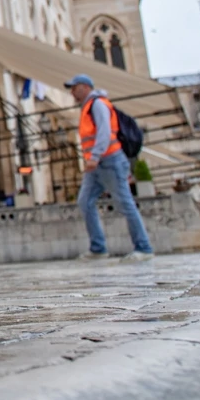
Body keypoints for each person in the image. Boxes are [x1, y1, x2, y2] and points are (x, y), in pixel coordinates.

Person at [66, 74, 154, 262]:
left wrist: (95, 156)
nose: (72, 92)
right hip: (96, 165)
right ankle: (98, 248)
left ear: (84, 87)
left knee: (125, 203)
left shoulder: (97, 104)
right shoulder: (86, 108)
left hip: (110, 161)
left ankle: (144, 247)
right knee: (85, 201)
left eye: (74, 88)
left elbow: (105, 131)